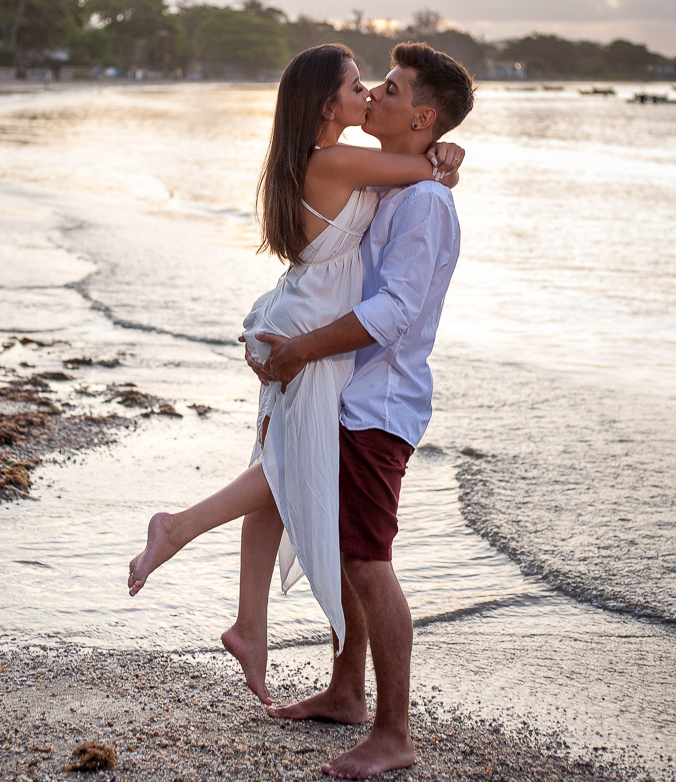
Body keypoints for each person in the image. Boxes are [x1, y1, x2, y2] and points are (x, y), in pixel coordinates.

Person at [127, 44, 464, 643]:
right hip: (310, 326)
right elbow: (422, 174)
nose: (369, 96)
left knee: (277, 461)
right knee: (286, 463)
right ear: (328, 104)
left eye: (380, 87)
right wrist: (444, 158)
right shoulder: (337, 162)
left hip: (304, 313)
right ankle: (177, 529)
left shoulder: (325, 161)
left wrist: (437, 154)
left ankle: (249, 623)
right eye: (360, 87)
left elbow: (412, 185)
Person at [243, 41, 474, 779]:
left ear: (423, 115)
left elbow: (395, 311)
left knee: (370, 563)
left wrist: (303, 349)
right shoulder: (393, 188)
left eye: (394, 89)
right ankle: (346, 691)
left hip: (381, 404)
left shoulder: (427, 202)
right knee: (344, 551)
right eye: (372, 83)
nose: (376, 91)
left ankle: (395, 732)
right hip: (348, 395)